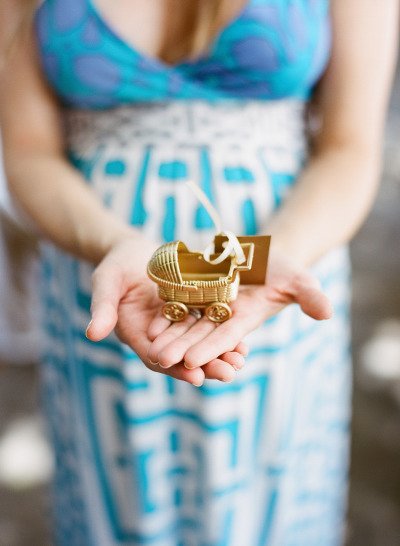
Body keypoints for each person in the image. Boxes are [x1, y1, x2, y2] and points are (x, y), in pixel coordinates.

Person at [0, 0, 398, 544]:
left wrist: (267, 258)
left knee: (268, 498)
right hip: (103, 282)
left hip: (280, 279)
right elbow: (27, 150)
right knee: (118, 493)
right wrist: (112, 241)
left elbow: (350, 146)